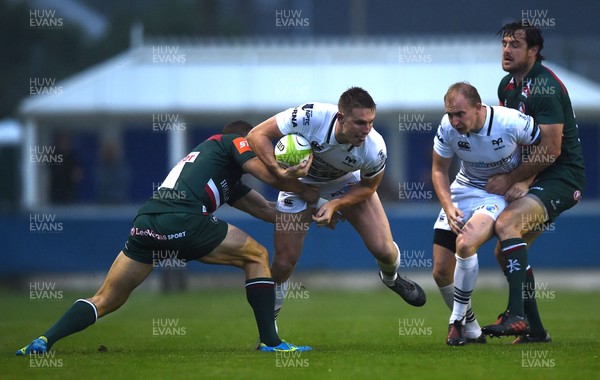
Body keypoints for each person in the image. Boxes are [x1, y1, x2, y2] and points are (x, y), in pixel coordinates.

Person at [16, 120, 318, 355]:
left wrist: (316, 213)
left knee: (106, 298)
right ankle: (271, 342)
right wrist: (296, 175)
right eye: (258, 146)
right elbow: (270, 176)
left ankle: (44, 340)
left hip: (147, 222)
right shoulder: (231, 141)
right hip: (183, 218)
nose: (260, 152)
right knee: (257, 256)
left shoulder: (223, 174)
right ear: (246, 141)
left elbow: (268, 210)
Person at [246, 87, 427, 329]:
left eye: (371, 122)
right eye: (360, 123)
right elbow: (256, 135)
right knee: (283, 263)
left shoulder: (374, 147)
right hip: (298, 185)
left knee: (385, 251)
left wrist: (336, 204)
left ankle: (392, 279)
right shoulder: (310, 116)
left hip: (346, 184)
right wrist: (279, 171)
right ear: (341, 118)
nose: (367, 130)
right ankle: (271, 328)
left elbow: (369, 186)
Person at [481, 22, 586, 343]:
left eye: (515, 44)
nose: (507, 50)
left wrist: (517, 179)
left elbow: (552, 149)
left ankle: (515, 316)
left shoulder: (546, 88)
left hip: (562, 178)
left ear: (534, 51)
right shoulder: (508, 87)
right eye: (504, 44)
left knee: (508, 224)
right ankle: (536, 332)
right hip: (536, 175)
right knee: (505, 252)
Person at [431, 82, 540, 346]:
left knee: (466, 243)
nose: (454, 121)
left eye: (460, 114)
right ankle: (472, 330)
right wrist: (447, 205)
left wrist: (524, 182)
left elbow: (544, 150)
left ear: (478, 108)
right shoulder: (447, 128)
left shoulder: (510, 121)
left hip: (495, 195)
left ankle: (455, 322)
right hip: (463, 189)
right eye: (450, 114)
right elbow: (438, 170)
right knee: (441, 272)